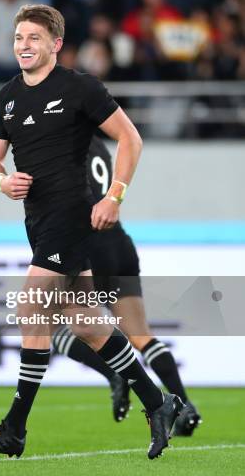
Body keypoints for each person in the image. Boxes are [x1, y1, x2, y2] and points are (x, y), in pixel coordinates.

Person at [0, 4, 182, 460]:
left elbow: (130, 139)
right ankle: (159, 403)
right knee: (87, 323)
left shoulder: (80, 87)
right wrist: (2, 181)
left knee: (30, 306)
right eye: (18, 38)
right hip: (37, 221)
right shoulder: (6, 96)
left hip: (72, 215)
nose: (23, 45)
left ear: (55, 44)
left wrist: (114, 196)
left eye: (33, 38)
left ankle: (15, 429)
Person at [51, 134, 202, 435]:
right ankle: (184, 406)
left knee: (50, 326)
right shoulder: (97, 143)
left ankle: (114, 374)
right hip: (119, 242)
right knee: (141, 334)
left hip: (87, 243)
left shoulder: (61, 140)